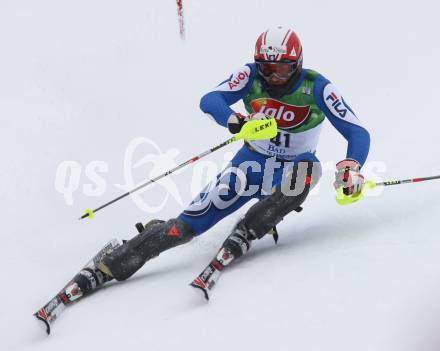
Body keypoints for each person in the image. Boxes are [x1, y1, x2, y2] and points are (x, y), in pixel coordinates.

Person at [64, 26, 371, 298]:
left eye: (281, 69)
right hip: (249, 165)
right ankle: (115, 262)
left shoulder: (317, 87)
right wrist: (235, 119)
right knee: (182, 229)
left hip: (289, 169)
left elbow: (357, 132)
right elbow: (210, 99)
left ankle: (252, 226)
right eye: (267, 68)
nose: (273, 76)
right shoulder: (250, 75)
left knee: (307, 171)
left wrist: (351, 166)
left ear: (297, 64)